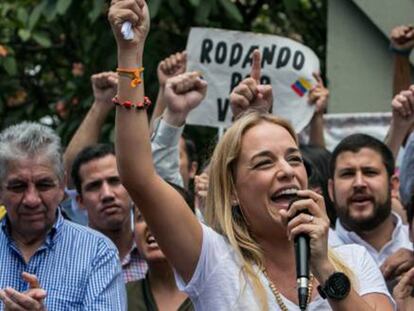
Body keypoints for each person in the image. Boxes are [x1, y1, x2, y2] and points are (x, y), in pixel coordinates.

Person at [109, 1, 393, 309]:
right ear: (231, 191)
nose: (286, 170)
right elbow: (138, 175)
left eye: (294, 158)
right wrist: (130, 52)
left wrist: (324, 267)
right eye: (264, 162)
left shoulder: (353, 259)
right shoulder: (213, 261)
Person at [0, 122, 125, 310]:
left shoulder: (98, 252)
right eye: (18, 186)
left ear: (61, 186)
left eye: (44, 185)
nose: (31, 199)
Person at [328, 133, 413, 282]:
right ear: (331, 190)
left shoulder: (411, 244)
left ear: (393, 186)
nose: (359, 183)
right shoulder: (317, 255)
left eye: (370, 172)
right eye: (347, 174)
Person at [71, 143, 148, 283]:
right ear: (80, 201)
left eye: (114, 181)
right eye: (94, 186)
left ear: (131, 188)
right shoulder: (68, 265)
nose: (107, 194)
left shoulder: (158, 254)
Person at [127, 183, 194, 311]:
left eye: (165, 213)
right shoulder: (119, 297)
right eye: (141, 216)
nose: (152, 223)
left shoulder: (215, 293)